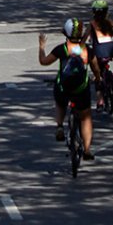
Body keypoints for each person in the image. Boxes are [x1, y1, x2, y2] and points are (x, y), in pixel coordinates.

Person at [39, 19, 96, 160]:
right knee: (86, 117)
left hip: (64, 88)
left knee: (60, 102)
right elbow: (96, 69)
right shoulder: (86, 51)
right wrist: (99, 79)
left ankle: (59, 126)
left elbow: (43, 61)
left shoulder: (62, 49)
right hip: (81, 90)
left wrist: (41, 47)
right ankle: (87, 150)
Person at [87, 0, 113, 89]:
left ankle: (98, 78)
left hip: (99, 51)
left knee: (93, 62)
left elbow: (86, 37)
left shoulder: (92, 24)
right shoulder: (109, 22)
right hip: (111, 48)